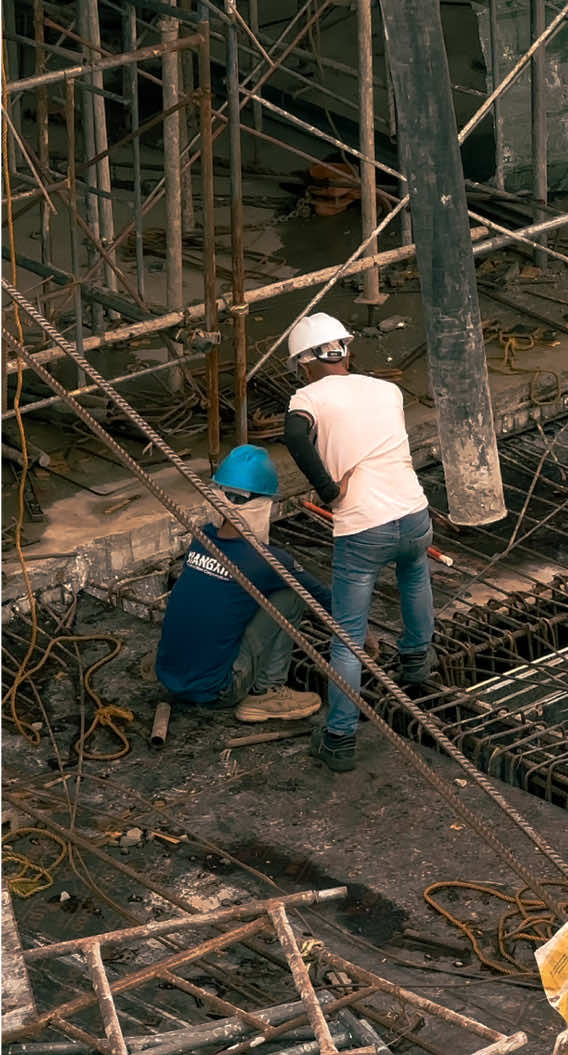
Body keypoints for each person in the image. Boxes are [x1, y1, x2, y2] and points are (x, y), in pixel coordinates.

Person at [283, 311, 434, 775]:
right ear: (345, 350)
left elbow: (294, 436)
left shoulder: (306, 397)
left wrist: (327, 491)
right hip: (413, 512)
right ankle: (416, 668)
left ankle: (340, 738)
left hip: (363, 525)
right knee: (414, 578)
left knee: (346, 637)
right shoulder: (386, 390)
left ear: (306, 362)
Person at [154, 445, 328, 723]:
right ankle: (268, 692)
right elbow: (322, 598)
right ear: (263, 504)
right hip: (219, 690)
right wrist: (363, 633)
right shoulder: (267, 561)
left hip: (169, 677)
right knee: (290, 595)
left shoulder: (202, 538)